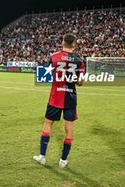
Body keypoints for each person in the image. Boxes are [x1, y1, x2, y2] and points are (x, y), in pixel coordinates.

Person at [33, 33, 84, 168]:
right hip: (70, 98)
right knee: (69, 128)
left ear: (62, 42)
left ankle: (42, 157)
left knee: (48, 124)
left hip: (55, 96)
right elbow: (79, 83)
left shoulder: (53, 57)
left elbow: (49, 73)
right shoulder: (79, 61)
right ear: (74, 45)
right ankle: (63, 161)